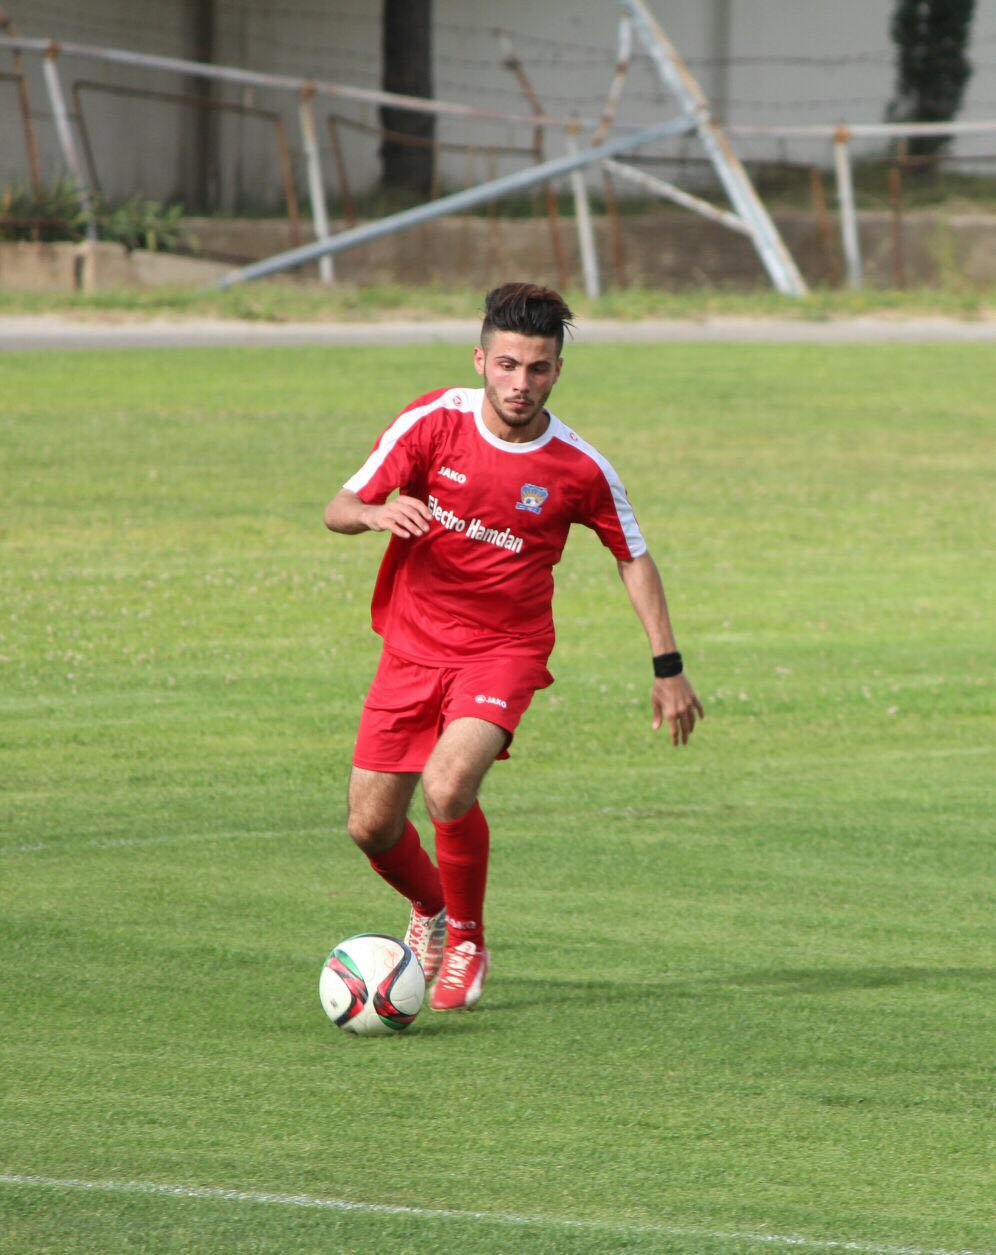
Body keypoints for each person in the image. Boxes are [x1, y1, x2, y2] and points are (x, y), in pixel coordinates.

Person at [324, 282, 703, 1012]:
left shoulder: (580, 466)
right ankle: (433, 912)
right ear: (480, 359)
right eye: (506, 365)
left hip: (505, 649)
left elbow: (635, 556)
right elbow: (338, 507)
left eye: (536, 368)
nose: (519, 383)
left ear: (557, 369)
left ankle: (466, 938)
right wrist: (376, 513)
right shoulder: (433, 421)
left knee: (447, 784)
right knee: (370, 825)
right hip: (411, 646)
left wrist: (668, 667)